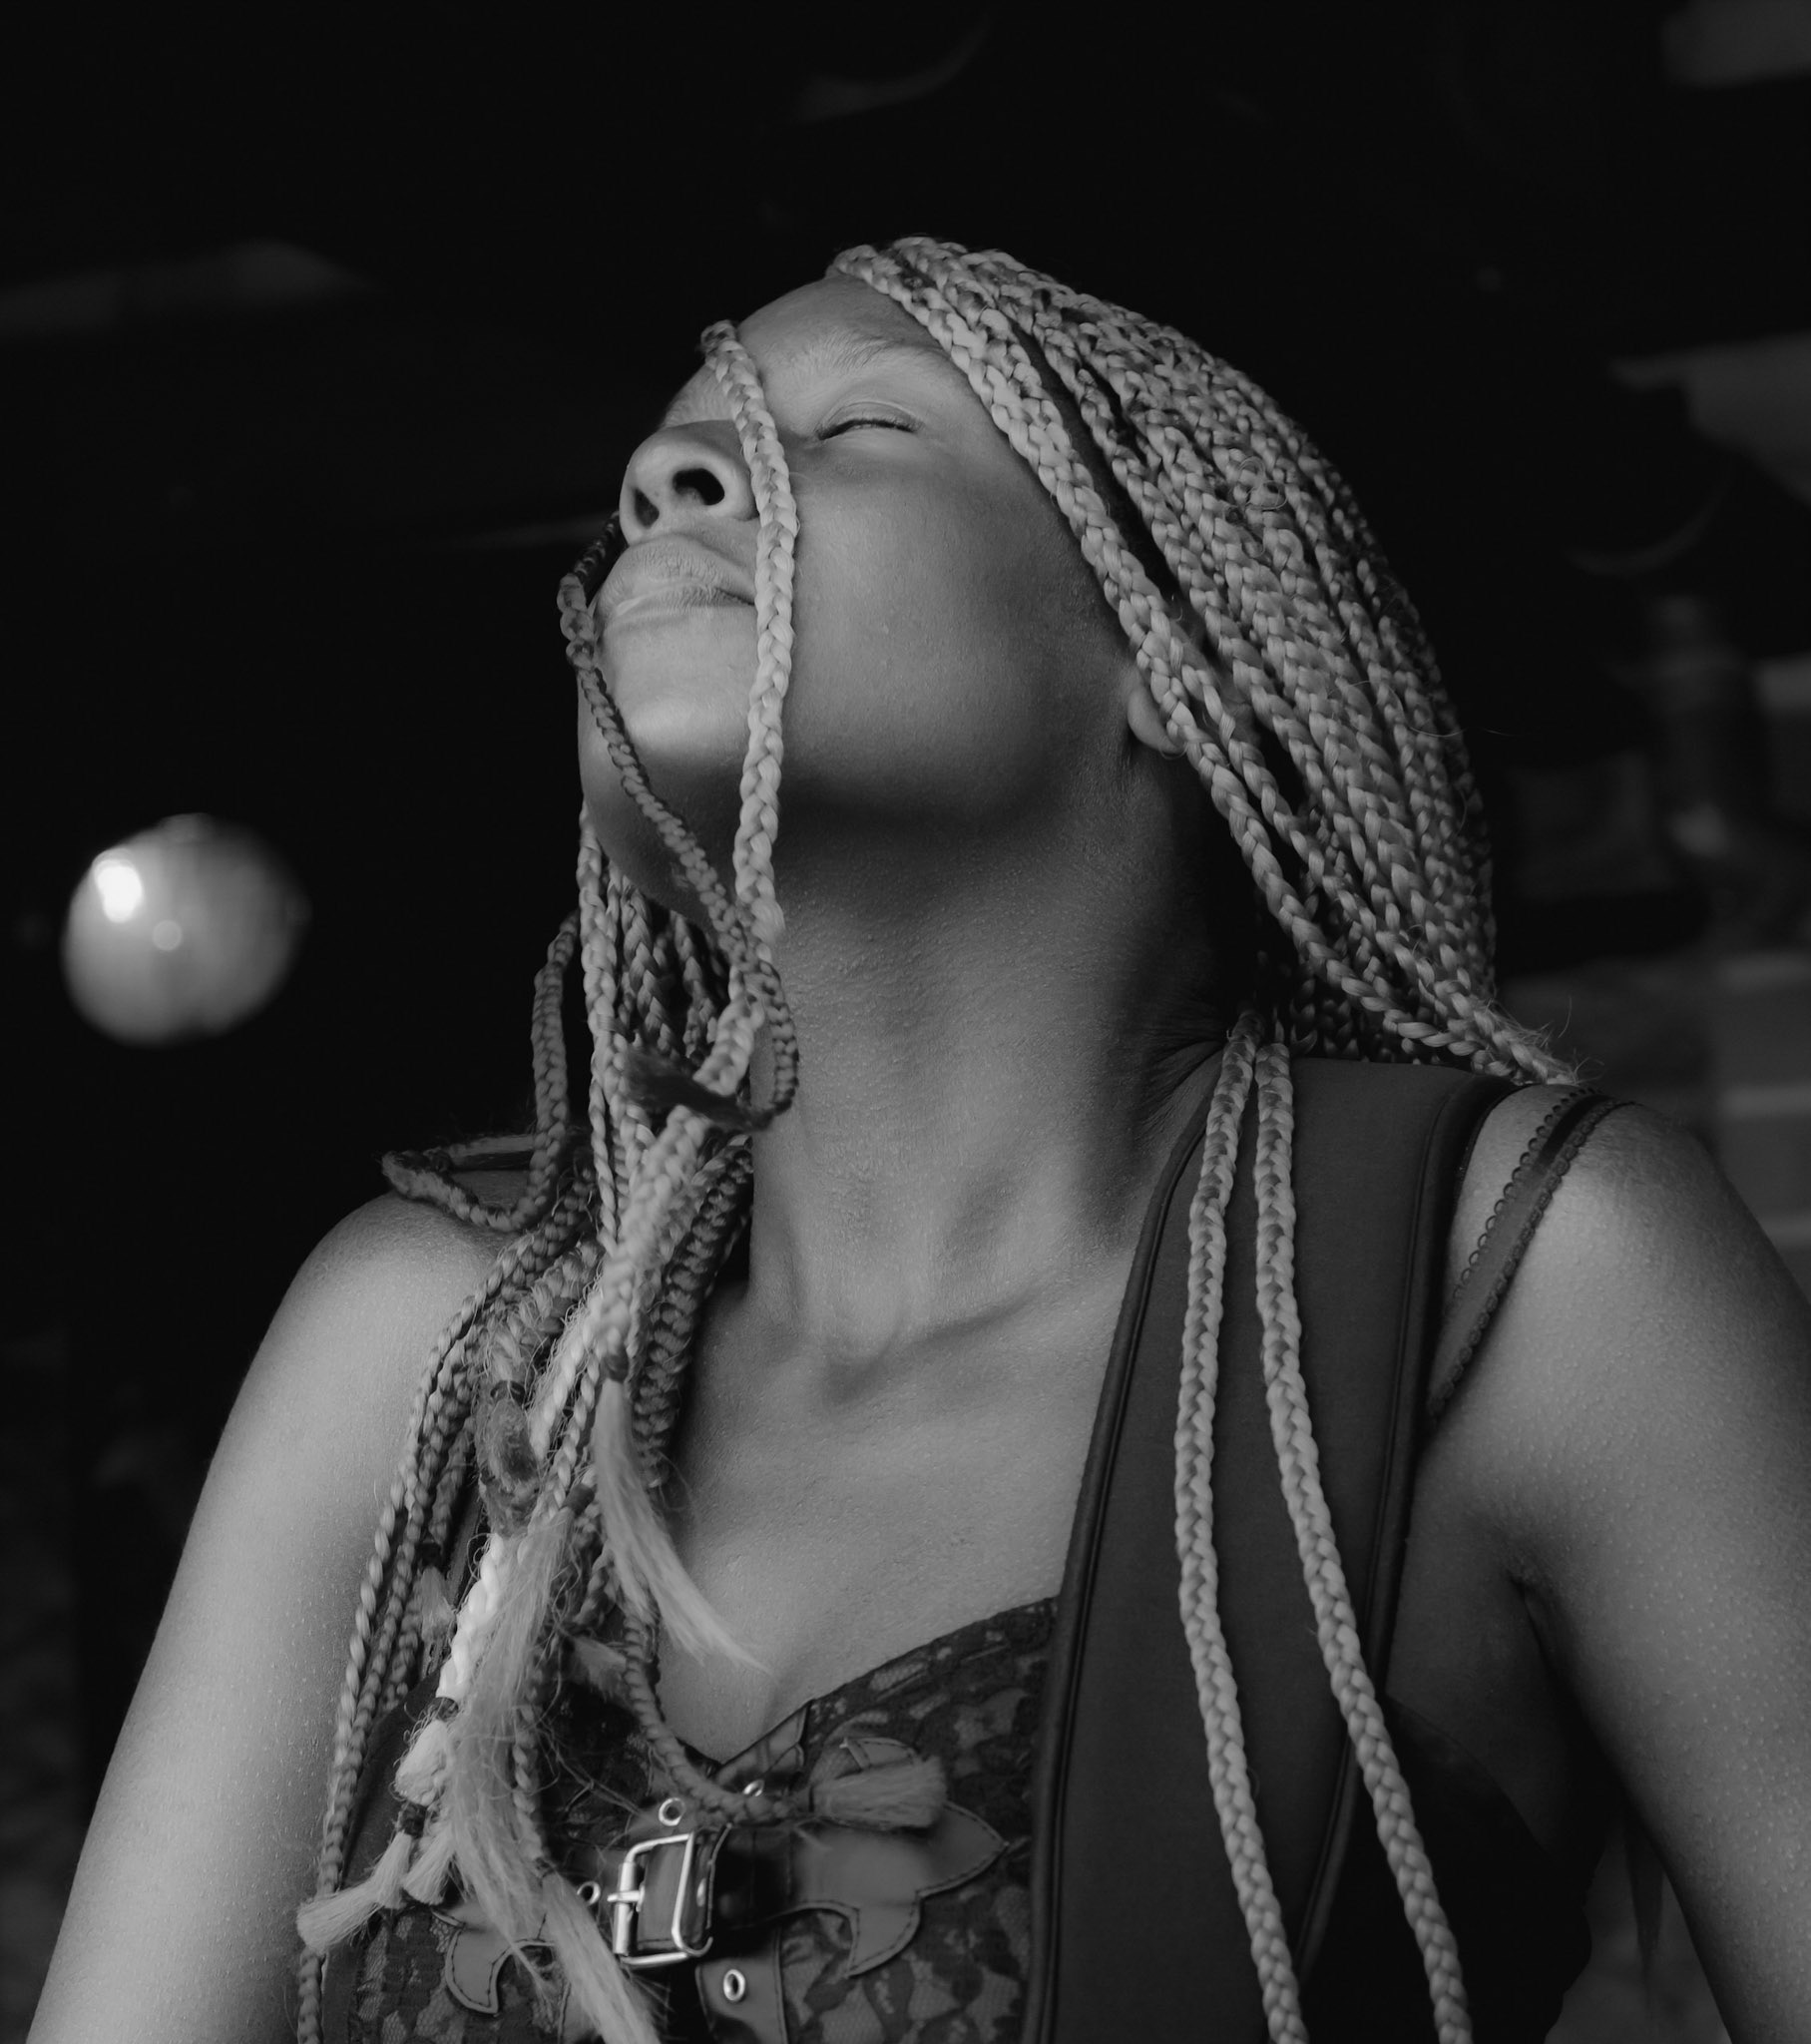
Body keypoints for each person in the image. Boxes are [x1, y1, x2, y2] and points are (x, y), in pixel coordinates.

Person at [27, 237, 1811, 2044]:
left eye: (858, 427)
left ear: (1174, 654)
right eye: (666, 454)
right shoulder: (436, 1346)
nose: (669, 478)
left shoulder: (1514, 1281)